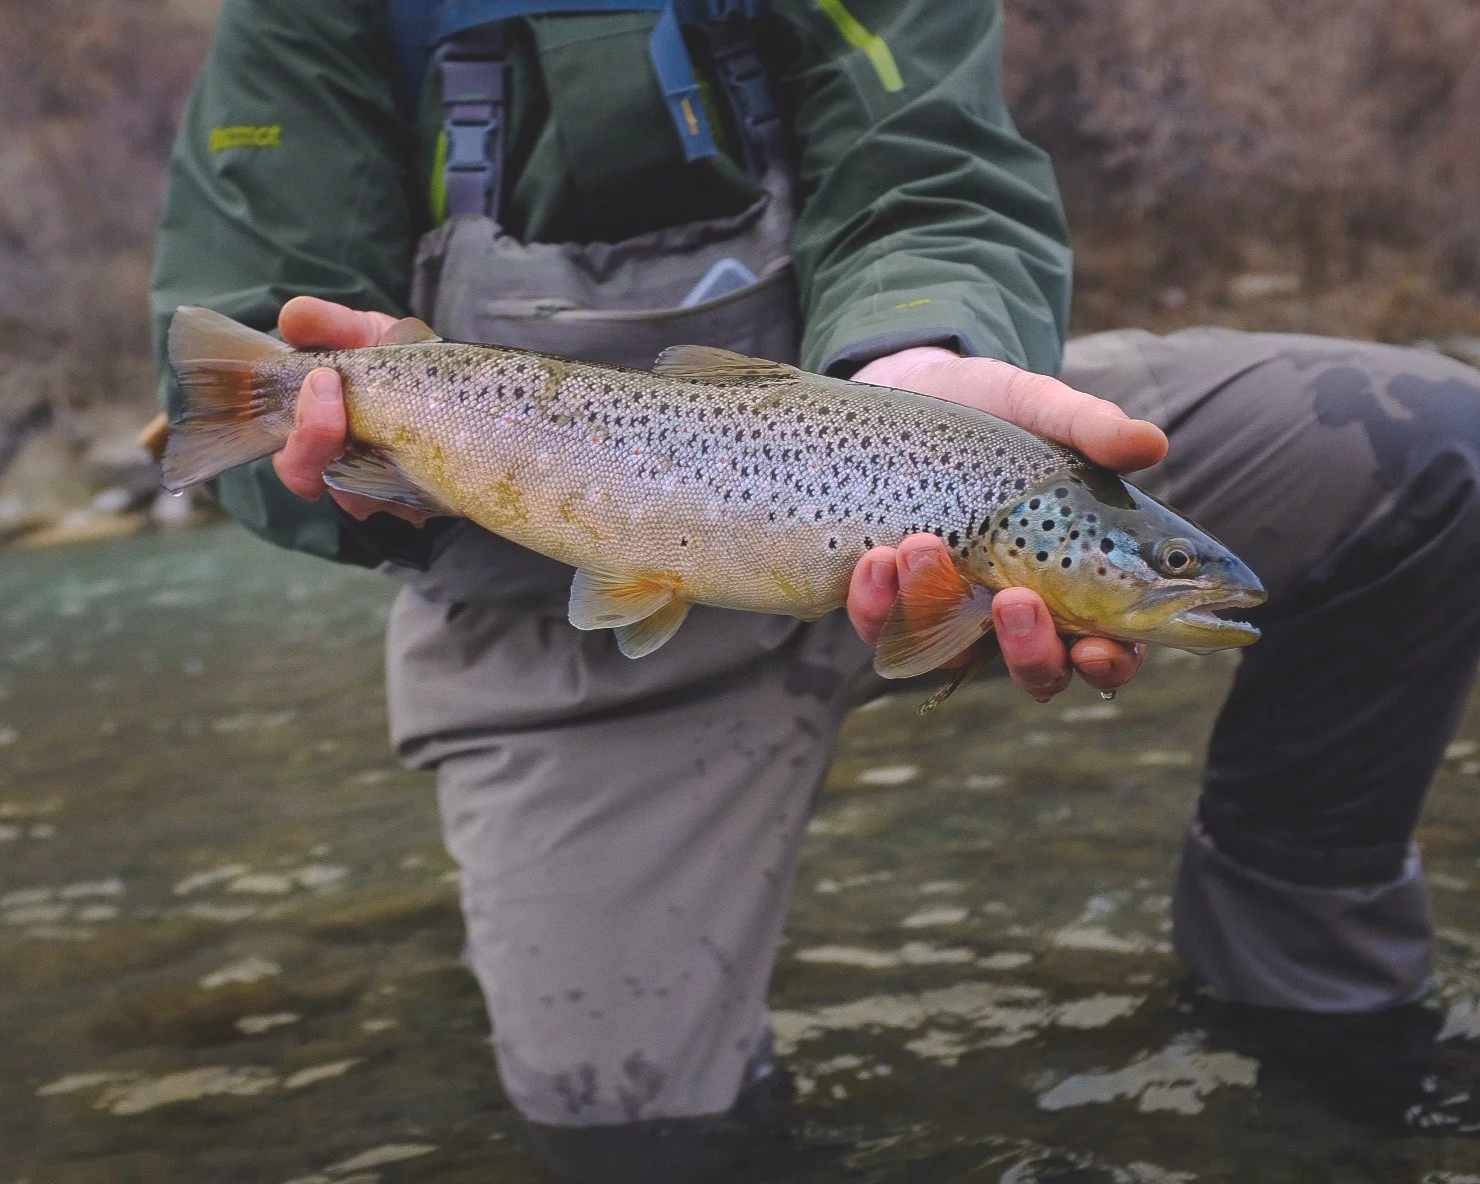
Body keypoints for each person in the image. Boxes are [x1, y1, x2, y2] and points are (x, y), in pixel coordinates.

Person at [152, 0, 1480, 1177]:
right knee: (634, 1141)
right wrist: (360, 456)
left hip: (898, 443)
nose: (1189, 583)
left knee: (1426, 444)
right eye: (1172, 569)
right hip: (545, 581)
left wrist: (920, 358)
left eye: (1174, 569)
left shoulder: (1013, 508)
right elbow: (244, 310)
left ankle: (1312, 1013)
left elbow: (931, 169)